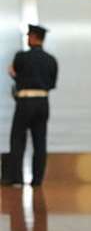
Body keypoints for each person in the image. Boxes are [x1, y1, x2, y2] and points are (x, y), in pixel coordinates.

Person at [2, 24, 57, 186]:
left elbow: (16, 74)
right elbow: (52, 84)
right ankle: (37, 180)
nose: (27, 39)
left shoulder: (21, 57)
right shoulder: (51, 60)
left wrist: (14, 75)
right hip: (43, 102)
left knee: (18, 139)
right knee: (40, 141)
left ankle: (17, 179)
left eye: (28, 36)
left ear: (33, 38)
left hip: (25, 101)